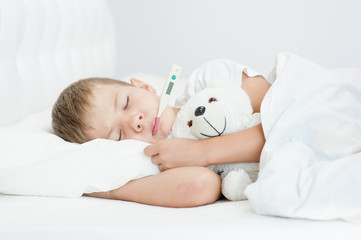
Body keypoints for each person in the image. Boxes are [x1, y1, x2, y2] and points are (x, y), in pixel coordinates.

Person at [52, 59, 271, 207]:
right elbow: (201, 185)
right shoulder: (162, 163)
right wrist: (109, 191)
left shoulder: (209, 81)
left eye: (126, 103)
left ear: (144, 86)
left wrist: (203, 151)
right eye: (118, 135)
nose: (134, 122)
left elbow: (280, 123)